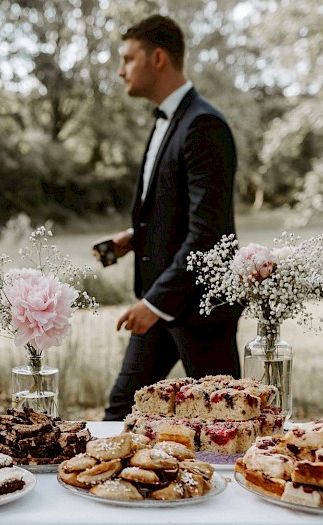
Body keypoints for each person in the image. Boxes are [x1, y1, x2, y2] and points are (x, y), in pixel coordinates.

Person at [97, 15, 241, 421]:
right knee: (120, 414)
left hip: (200, 311)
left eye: (127, 58)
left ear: (157, 58)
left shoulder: (204, 125)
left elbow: (210, 233)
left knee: (224, 426)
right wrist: (136, 235)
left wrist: (155, 303)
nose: (120, 69)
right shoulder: (167, 121)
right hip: (159, 303)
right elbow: (176, 208)